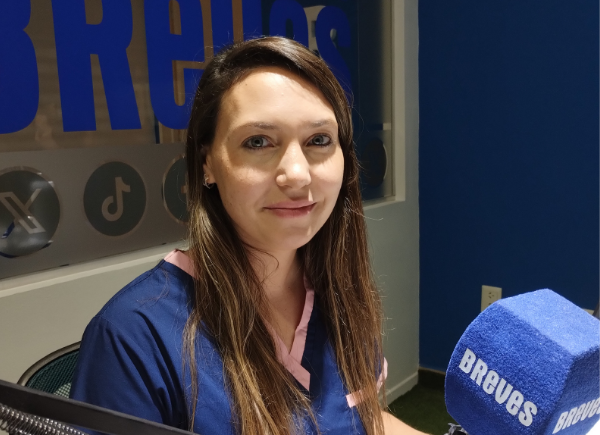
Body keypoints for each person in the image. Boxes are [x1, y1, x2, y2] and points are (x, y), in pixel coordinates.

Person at [70, 37, 426, 435]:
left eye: (319, 140)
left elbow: (365, 420)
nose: (297, 174)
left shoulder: (337, 290)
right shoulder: (136, 335)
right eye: (258, 142)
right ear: (207, 163)